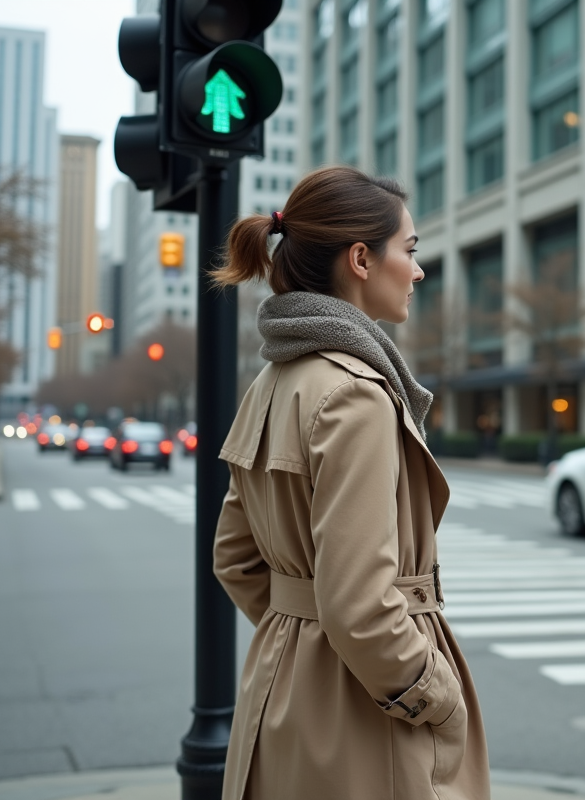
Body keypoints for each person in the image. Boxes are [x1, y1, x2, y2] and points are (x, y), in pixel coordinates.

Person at [209, 166, 489, 799]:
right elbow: (359, 607)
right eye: (409, 251)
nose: (418, 271)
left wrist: (298, 626)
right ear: (361, 259)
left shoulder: (271, 383)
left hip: (281, 690)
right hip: (365, 714)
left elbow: (235, 558)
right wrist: (436, 696)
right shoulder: (355, 395)